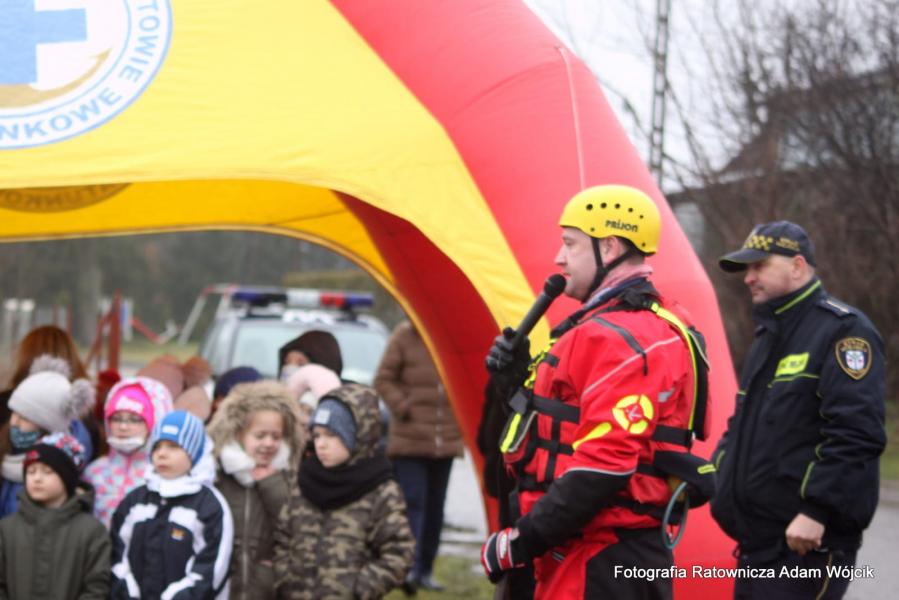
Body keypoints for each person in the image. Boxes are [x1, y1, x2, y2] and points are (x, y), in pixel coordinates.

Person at [480, 185, 712, 599]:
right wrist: (514, 387)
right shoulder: (600, 327)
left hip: (604, 560)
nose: (558, 257)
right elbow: (557, 428)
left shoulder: (629, 338)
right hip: (573, 549)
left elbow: (604, 466)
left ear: (609, 247)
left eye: (569, 243)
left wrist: (520, 542)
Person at [710, 221, 886, 600]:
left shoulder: (844, 331)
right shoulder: (767, 338)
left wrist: (817, 510)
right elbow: (742, 426)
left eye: (759, 266)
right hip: (758, 543)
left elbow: (857, 433)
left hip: (808, 545)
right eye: (747, 269)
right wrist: (717, 473)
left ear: (797, 266)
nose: (748, 278)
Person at [273, 383, 415, 599]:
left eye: (331, 435)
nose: (321, 444)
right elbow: (283, 537)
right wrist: (285, 579)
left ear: (358, 435)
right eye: (317, 435)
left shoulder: (381, 490)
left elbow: (399, 552)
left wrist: (360, 588)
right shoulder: (304, 480)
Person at [374, 320, 463, 592]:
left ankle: (425, 569)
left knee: (436, 506)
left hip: (445, 441)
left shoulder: (453, 337)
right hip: (409, 441)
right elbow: (383, 379)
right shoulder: (404, 336)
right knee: (414, 503)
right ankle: (407, 568)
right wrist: (403, 407)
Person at [111, 410, 233, 599]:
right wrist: (127, 593)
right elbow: (117, 553)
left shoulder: (209, 505)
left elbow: (212, 569)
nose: (162, 454)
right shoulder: (136, 500)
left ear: (194, 452)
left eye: (173, 446)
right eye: (157, 447)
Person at [207, 381, 304, 600]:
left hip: (265, 587)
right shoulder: (220, 475)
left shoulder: (286, 477)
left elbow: (292, 523)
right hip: (224, 584)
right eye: (260, 436)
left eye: (276, 437)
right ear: (239, 435)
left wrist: (271, 483)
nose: (269, 443)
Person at [0, 432, 110, 599]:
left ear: (67, 477)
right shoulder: (6, 529)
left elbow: (97, 587)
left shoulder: (91, 531)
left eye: (47, 471)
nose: (37, 478)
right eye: (31, 471)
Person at [0, 355, 94, 518]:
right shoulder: (5, 450)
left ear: (48, 429)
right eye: (13, 413)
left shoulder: (62, 476)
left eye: (25, 418)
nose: (14, 423)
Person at [83, 376, 174, 528]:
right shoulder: (94, 472)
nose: (123, 426)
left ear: (155, 422)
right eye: (116, 419)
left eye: (134, 419)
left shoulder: (165, 473)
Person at [277, 330, 343, 381]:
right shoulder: (272, 395)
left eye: (301, 364)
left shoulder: (342, 397)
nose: (290, 368)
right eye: (286, 363)